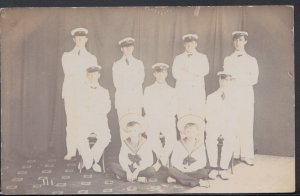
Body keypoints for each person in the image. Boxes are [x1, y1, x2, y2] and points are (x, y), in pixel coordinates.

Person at [61, 27, 98, 160]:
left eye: (82, 38)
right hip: (70, 93)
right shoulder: (66, 56)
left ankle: (83, 150)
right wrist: (83, 72)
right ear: (74, 39)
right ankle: (71, 151)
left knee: (84, 121)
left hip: (85, 93)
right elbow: (69, 71)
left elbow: (92, 77)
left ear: (86, 40)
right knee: (71, 122)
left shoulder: (92, 57)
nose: (80, 40)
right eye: (77, 38)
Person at [223, 31, 259, 165]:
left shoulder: (251, 60)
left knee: (246, 124)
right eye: (236, 40)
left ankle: (247, 154)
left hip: (246, 95)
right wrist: (239, 77)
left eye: (241, 40)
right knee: (232, 123)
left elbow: (253, 79)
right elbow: (227, 77)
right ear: (233, 42)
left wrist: (237, 77)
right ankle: (234, 152)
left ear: (245, 42)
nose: (238, 43)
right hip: (232, 94)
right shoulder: (228, 59)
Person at [76, 65, 111, 173]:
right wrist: (88, 115)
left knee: (105, 137)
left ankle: (92, 160)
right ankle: (90, 161)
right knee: (79, 137)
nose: (92, 77)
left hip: (99, 120)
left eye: (94, 75)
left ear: (98, 75)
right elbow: (79, 107)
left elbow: (107, 107)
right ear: (87, 76)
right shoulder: (81, 90)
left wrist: (97, 114)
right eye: (90, 75)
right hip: (86, 121)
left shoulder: (104, 91)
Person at [143, 63, 177, 169]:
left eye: (163, 73)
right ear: (154, 74)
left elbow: (174, 108)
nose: (160, 75)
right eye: (158, 73)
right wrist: (156, 115)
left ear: (166, 74)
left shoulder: (172, 90)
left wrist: (165, 115)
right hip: (153, 118)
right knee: (151, 137)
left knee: (172, 139)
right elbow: (146, 107)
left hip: (167, 119)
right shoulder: (148, 89)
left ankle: (161, 160)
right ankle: (163, 159)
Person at [205, 71, 238, 180]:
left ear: (230, 81)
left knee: (230, 138)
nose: (225, 82)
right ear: (219, 80)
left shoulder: (235, 97)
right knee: (210, 138)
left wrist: (228, 123)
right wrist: (214, 122)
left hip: (228, 124)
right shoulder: (211, 96)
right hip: (214, 123)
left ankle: (223, 168)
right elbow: (207, 114)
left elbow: (235, 114)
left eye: (227, 80)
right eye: (222, 79)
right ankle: (214, 167)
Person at [172, 34, 209, 118]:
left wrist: (188, 69)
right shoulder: (178, 58)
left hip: (197, 93)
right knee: (182, 116)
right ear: (184, 44)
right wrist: (195, 74)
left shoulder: (202, 57)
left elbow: (205, 71)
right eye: (187, 43)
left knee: (198, 116)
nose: (189, 45)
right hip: (183, 92)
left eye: (192, 43)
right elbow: (175, 74)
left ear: (196, 44)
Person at [110, 113, 156, 183]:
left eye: (135, 131)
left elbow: (149, 160)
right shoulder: (125, 142)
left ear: (140, 131)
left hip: (141, 169)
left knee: (151, 170)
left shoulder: (145, 142)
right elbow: (122, 159)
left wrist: (137, 170)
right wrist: (128, 171)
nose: (133, 133)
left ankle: (127, 177)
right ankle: (138, 178)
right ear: (127, 132)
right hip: (129, 168)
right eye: (130, 131)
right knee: (113, 165)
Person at [167, 115, 210, 188]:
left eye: (193, 132)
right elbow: (174, 160)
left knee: (204, 172)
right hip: (181, 169)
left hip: (195, 170)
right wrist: (183, 168)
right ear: (184, 132)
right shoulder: (179, 143)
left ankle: (178, 180)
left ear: (197, 132)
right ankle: (197, 182)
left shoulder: (200, 144)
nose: (190, 134)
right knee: (171, 170)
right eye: (188, 132)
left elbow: (202, 162)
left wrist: (191, 168)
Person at [112, 37, 145, 130]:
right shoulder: (117, 65)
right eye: (125, 47)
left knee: (136, 125)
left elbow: (140, 80)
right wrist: (130, 83)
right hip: (122, 99)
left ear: (133, 48)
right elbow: (117, 83)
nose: (128, 49)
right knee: (123, 125)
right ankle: (124, 145)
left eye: (130, 46)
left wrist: (127, 82)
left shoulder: (139, 63)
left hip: (135, 99)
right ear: (121, 49)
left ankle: (137, 145)